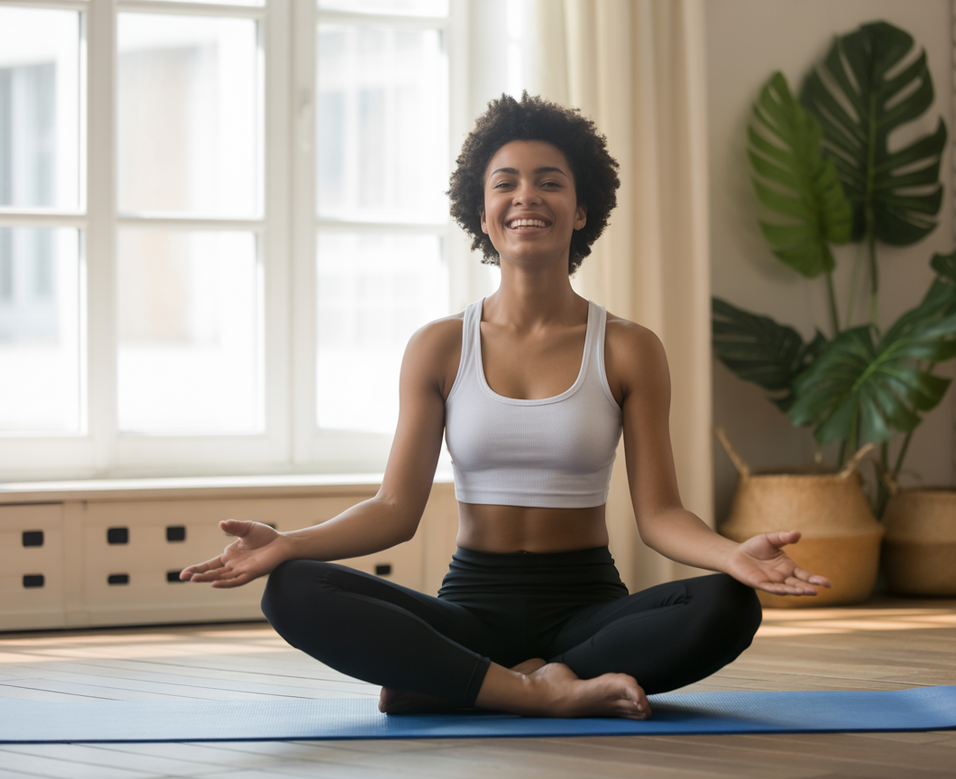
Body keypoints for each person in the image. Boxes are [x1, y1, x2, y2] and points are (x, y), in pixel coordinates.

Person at [180, 93, 830, 721]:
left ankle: (458, 683)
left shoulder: (629, 348)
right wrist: (288, 542)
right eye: (505, 183)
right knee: (292, 587)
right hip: (471, 608)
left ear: (579, 210)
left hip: (587, 608)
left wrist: (730, 555)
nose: (526, 196)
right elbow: (392, 510)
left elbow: (659, 514)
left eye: (549, 181)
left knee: (728, 603)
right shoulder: (439, 345)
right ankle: (545, 690)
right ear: (482, 211)